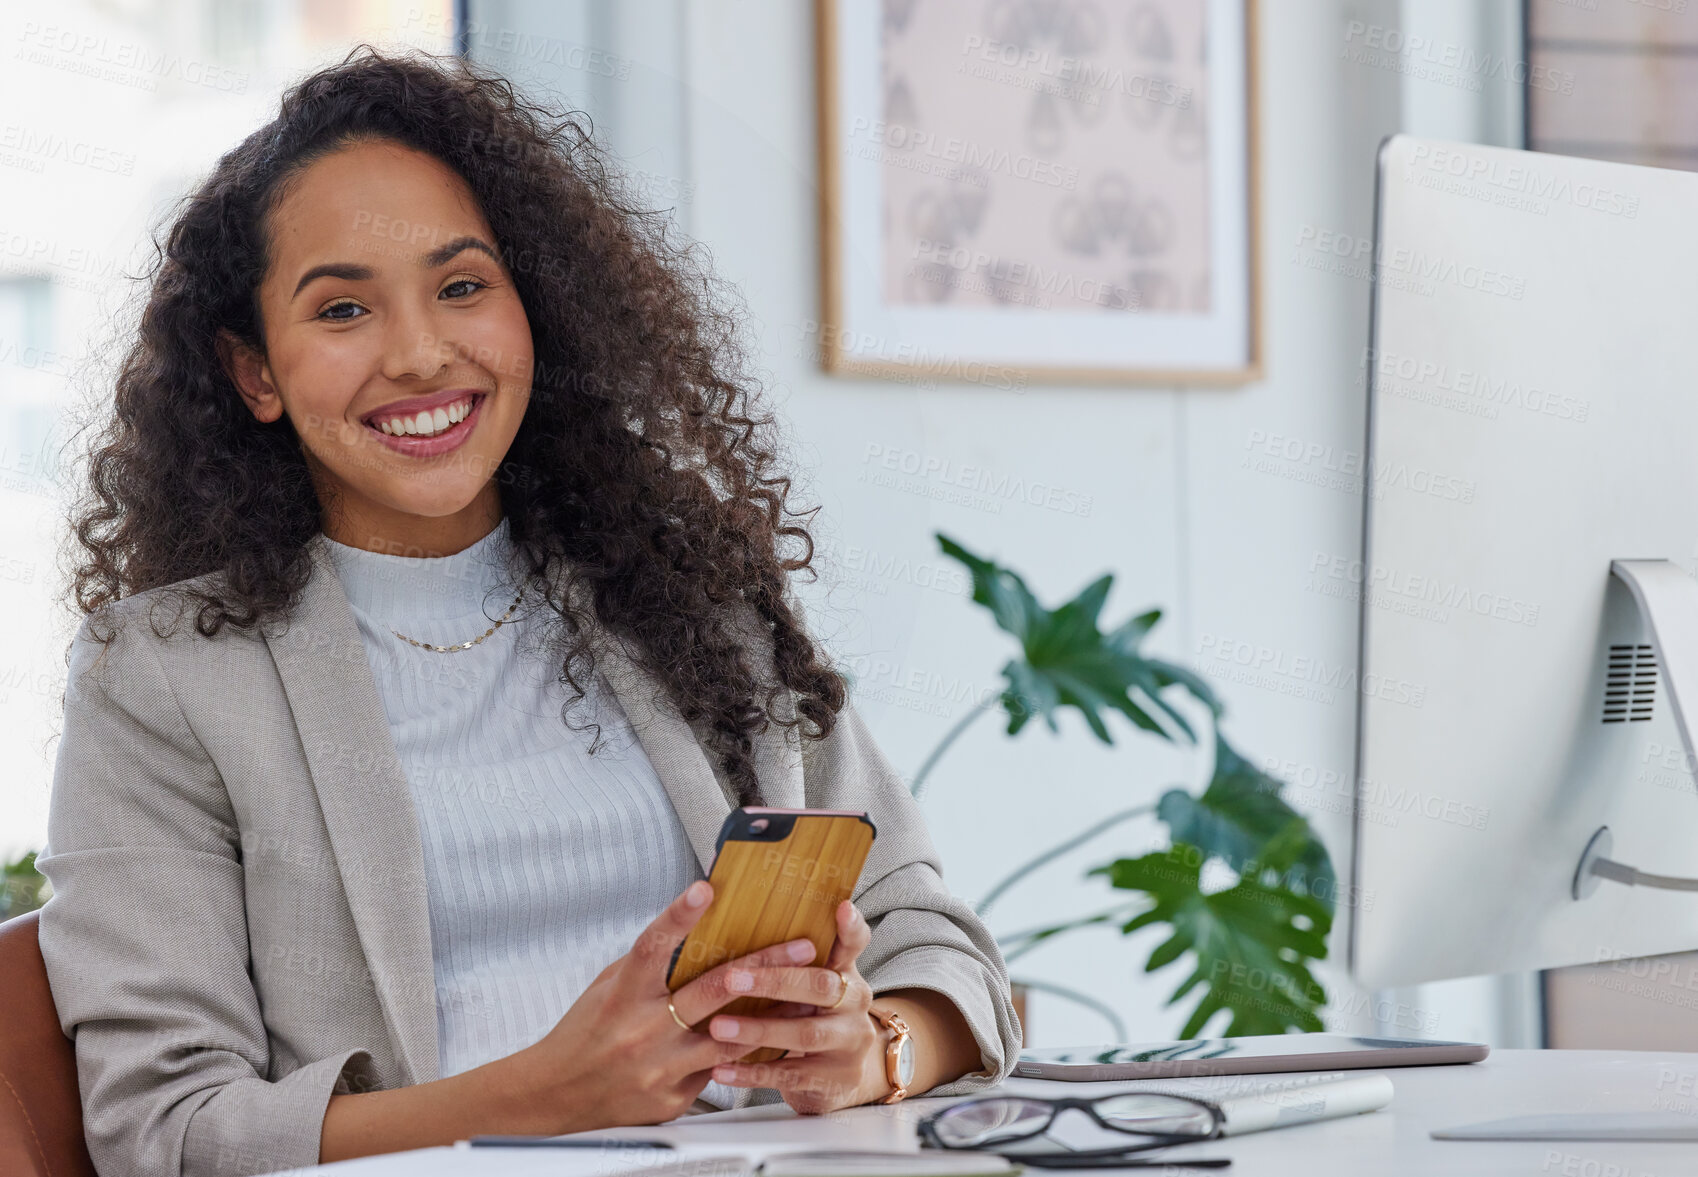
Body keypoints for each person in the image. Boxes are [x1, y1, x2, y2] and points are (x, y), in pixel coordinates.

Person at [36, 45, 1020, 1177]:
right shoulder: (166, 678)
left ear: (532, 309)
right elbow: (163, 1131)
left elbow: (941, 947)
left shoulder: (683, 598)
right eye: (343, 307)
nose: (420, 353)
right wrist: (533, 1097)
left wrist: (873, 1049)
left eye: (463, 286)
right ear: (254, 371)